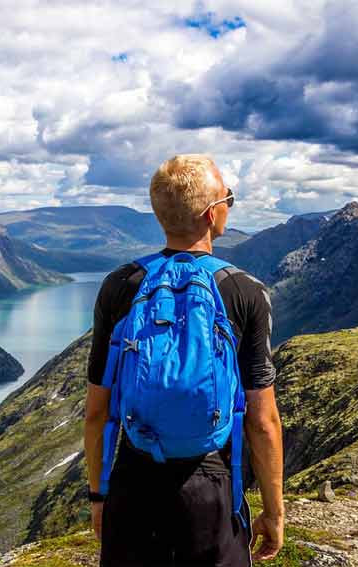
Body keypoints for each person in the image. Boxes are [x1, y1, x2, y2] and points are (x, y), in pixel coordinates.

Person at [84, 154, 284, 566]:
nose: (230, 203)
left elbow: (98, 413)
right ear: (213, 214)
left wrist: (99, 496)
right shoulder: (244, 291)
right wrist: (274, 511)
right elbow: (262, 420)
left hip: (134, 480)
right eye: (229, 197)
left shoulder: (121, 285)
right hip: (210, 485)